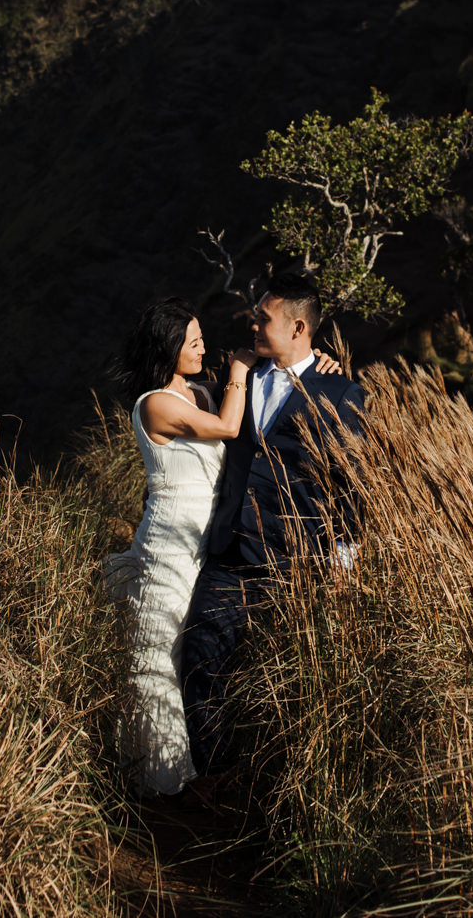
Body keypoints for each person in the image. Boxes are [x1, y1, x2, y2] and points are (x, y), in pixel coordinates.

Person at [105, 295, 350, 796]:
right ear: (170, 347)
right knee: (164, 652)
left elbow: (328, 456)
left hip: (233, 543)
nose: (205, 346)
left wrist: (315, 367)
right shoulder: (163, 401)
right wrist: (240, 367)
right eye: (193, 341)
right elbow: (229, 429)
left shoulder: (202, 391)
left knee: (196, 653)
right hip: (180, 540)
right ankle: (165, 781)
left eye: (200, 339)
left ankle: (205, 778)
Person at [178, 273, 365, 782]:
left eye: (264, 317)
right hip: (230, 551)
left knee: (283, 684)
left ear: (298, 327)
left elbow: (351, 484)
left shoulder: (342, 391)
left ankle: (267, 791)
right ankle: (212, 782)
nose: (253, 322)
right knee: (200, 660)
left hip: (294, 561)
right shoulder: (236, 373)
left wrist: (342, 558)